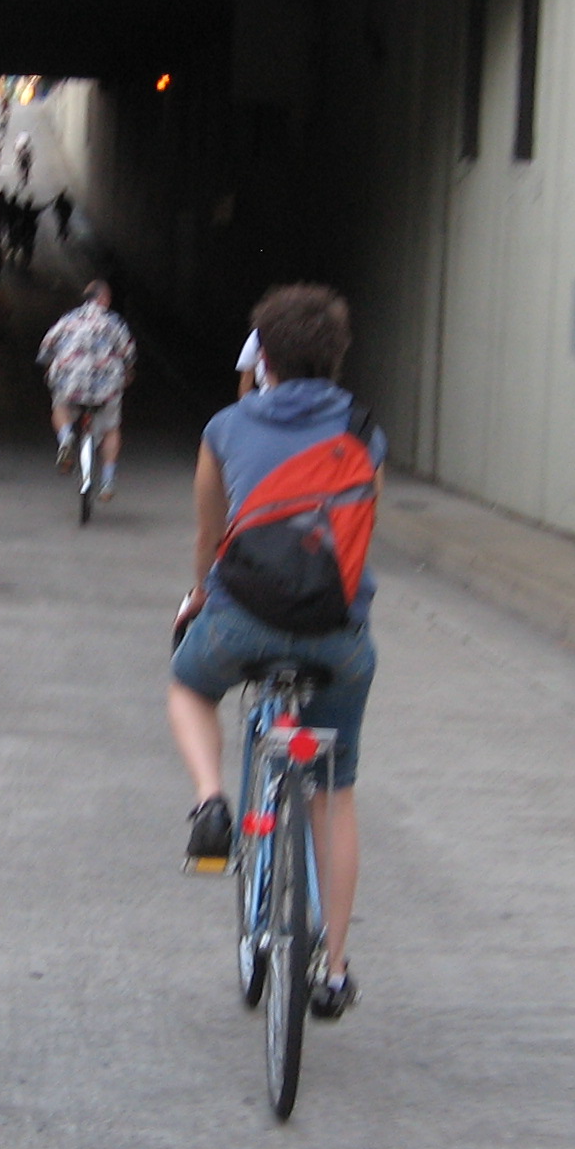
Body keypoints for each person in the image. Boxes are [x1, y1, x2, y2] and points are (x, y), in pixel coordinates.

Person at [166, 285, 380, 1018]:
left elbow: (209, 533)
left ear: (263, 359)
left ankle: (210, 801)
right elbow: (359, 533)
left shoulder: (226, 427)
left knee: (189, 687)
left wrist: (201, 594)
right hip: (336, 634)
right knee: (334, 791)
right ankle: (334, 968)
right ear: (336, 358)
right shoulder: (364, 432)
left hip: (242, 621)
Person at [38, 278, 136, 499]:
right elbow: (128, 353)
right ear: (105, 299)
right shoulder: (113, 322)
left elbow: (46, 347)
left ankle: (66, 440)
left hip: (70, 384)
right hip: (106, 388)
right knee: (111, 428)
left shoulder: (68, 319)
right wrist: (128, 372)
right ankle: (108, 482)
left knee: (60, 407)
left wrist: (49, 368)